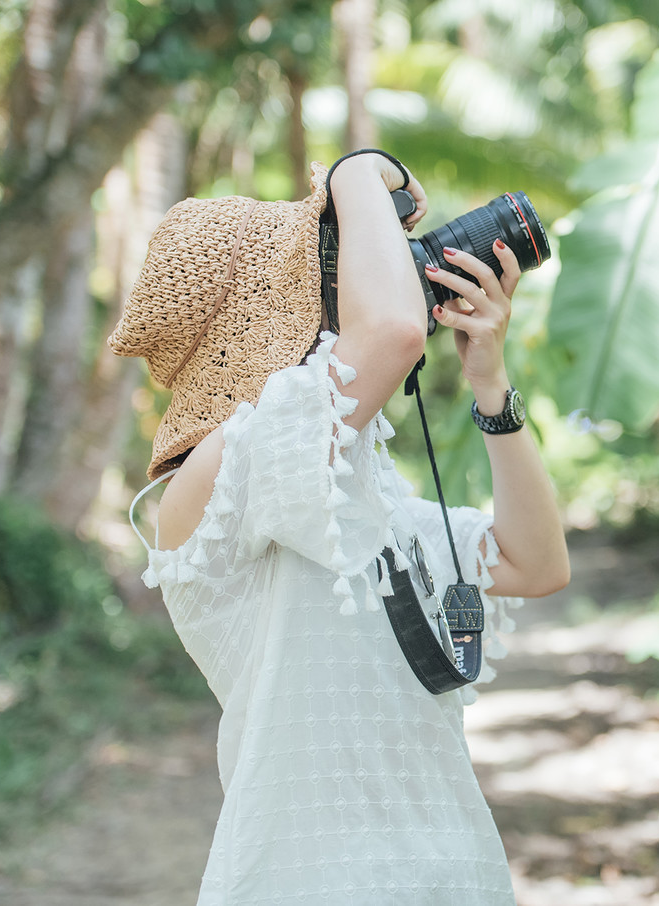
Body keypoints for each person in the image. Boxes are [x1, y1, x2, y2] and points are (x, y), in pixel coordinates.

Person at [108, 151, 570, 905]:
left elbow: (535, 562)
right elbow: (390, 333)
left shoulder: (361, 493)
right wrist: (356, 172)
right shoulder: (213, 484)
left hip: (449, 873)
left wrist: (491, 383)